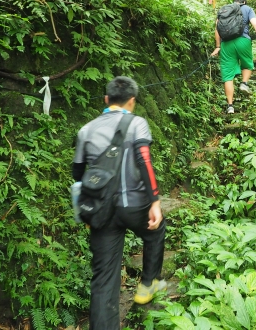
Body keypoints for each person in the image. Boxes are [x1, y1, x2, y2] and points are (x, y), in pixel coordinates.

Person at [72, 76, 166, 329]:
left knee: (103, 279)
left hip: (101, 211)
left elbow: (78, 176)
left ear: (106, 100)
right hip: (134, 205)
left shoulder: (85, 130)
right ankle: (148, 284)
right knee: (156, 231)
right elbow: (144, 161)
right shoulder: (137, 124)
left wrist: (86, 213)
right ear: (132, 101)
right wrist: (154, 201)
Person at [211, 0, 256, 114]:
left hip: (226, 44)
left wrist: (217, 46)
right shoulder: (247, 9)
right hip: (243, 41)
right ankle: (244, 83)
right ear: (244, 2)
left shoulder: (225, 10)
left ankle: (230, 106)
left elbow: (217, 29)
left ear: (233, 2)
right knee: (247, 64)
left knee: (227, 76)